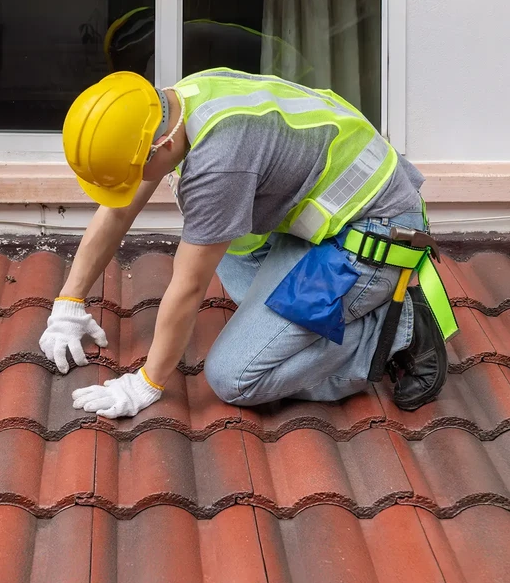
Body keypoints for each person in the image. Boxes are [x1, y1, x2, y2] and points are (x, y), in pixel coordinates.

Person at [38, 68, 458, 419]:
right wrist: (69, 304)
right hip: (331, 218)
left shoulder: (219, 164)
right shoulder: (180, 101)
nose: (136, 187)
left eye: (136, 173)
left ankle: (394, 332)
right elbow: (118, 211)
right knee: (228, 245)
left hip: (374, 234)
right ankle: (325, 314)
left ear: (160, 146)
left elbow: (187, 287)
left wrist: (146, 383)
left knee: (234, 377)